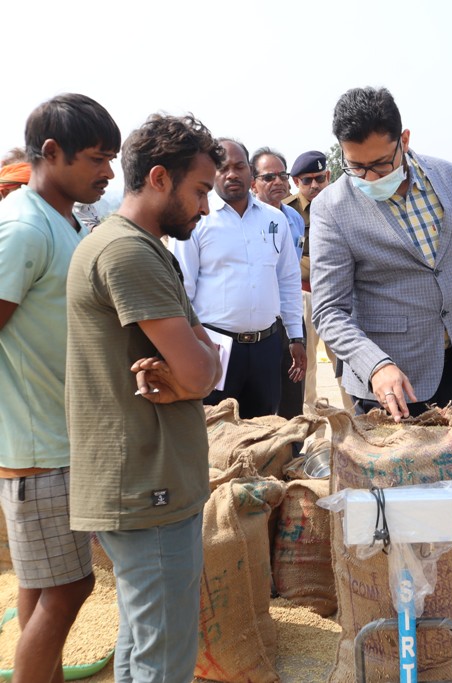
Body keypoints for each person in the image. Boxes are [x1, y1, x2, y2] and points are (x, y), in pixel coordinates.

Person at [66, 113, 222, 683]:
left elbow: (207, 363)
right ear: (159, 177)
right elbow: (203, 372)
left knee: (141, 647)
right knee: (164, 660)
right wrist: (192, 379)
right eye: (200, 190)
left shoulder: (146, 249)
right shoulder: (127, 253)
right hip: (145, 486)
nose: (205, 207)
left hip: (150, 481)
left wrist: (191, 376)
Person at [0, 92, 119, 683]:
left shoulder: (67, 221)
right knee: (71, 586)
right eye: (97, 159)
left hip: (61, 437)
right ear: (51, 152)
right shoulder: (22, 228)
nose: (108, 172)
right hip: (39, 447)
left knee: (42, 585)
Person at [310, 86, 452, 420]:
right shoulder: (331, 208)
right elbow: (329, 310)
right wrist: (375, 365)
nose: (369, 177)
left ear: (404, 141)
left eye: (380, 164)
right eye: (355, 166)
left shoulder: (448, 178)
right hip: (390, 389)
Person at [171, 138, 304, 419]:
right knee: (215, 431)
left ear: (250, 173)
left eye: (239, 166)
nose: (232, 174)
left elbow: (288, 280)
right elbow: (184, 290)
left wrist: (296, 336)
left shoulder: (274, 219)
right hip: (215, 348)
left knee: (264, 433)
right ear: (211, 173)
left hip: (267, 347)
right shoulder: (196, 221)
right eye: (223, 168)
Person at [283, 150, 352, 410]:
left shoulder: (346, 205)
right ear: (295, 182)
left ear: (329, 176)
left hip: (341, 298)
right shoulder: (286, 212)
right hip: (304, 297)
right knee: (305, 368)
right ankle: (310, 432)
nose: (315, 186)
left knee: (348, 366)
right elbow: (285, 262)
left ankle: (358, 426)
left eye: (320, 178)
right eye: (307, 180)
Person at [251, 147, 306, 419]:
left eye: (282, 175)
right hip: (260, 321)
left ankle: (293, 452)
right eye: (269, 177)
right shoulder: (246, 219)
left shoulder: (294, 217)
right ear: (253, 184)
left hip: (291, 315)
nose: (278, 182)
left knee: (292, 392)